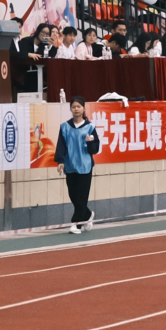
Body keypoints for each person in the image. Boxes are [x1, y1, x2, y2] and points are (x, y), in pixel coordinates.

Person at [56, 97, 100, 233]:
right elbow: (61, 146)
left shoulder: (90, 127)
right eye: (74, 106)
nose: (76, 109)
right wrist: (61, 161)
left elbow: (95, 149)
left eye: (79, 106)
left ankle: (76, 224)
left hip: (85, 167)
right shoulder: (64, 127)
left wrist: (90, 142)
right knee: (73, 195)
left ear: (83, 109)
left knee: (81, 196)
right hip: (70, 166)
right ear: (70, 109)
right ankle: (87, 215)